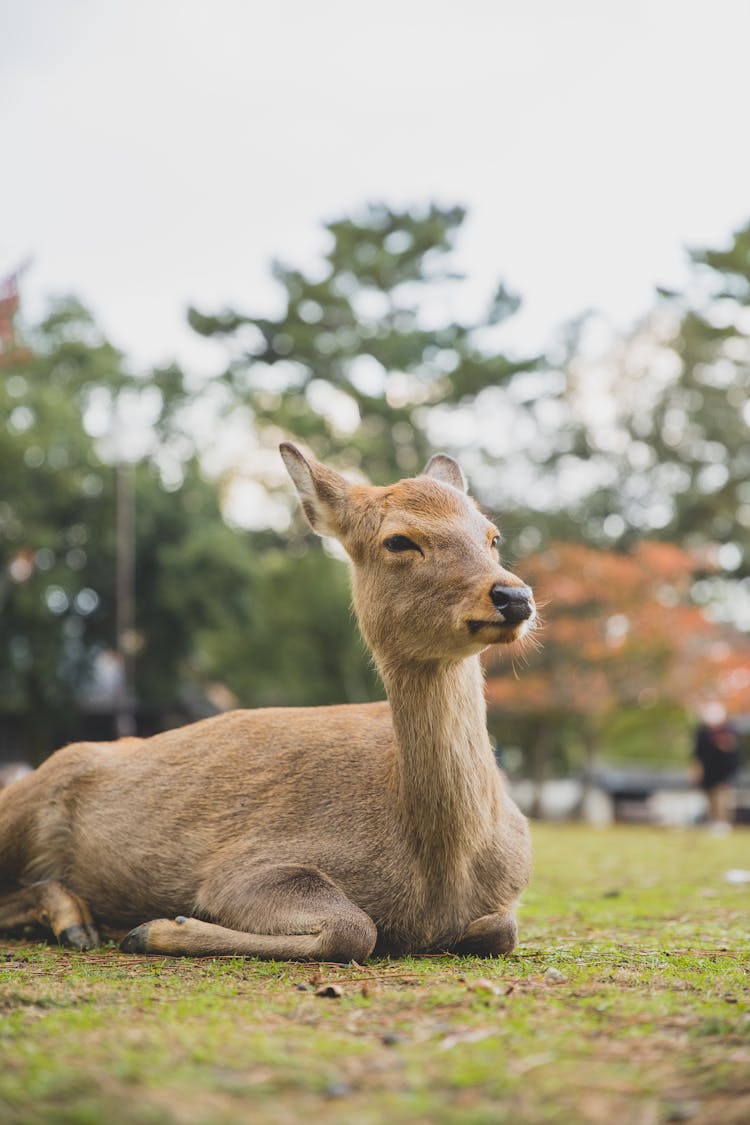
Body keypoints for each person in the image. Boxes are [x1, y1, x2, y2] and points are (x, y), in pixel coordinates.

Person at [692, 703, 740, 832]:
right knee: (710, 798)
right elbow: (698, 754)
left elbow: (733, 753)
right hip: (709, 772)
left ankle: (722, 822)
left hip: (724, 771)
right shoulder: (702, 732)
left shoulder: (729, 730)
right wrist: (697, 770)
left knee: (722, 797)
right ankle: (713, 821)